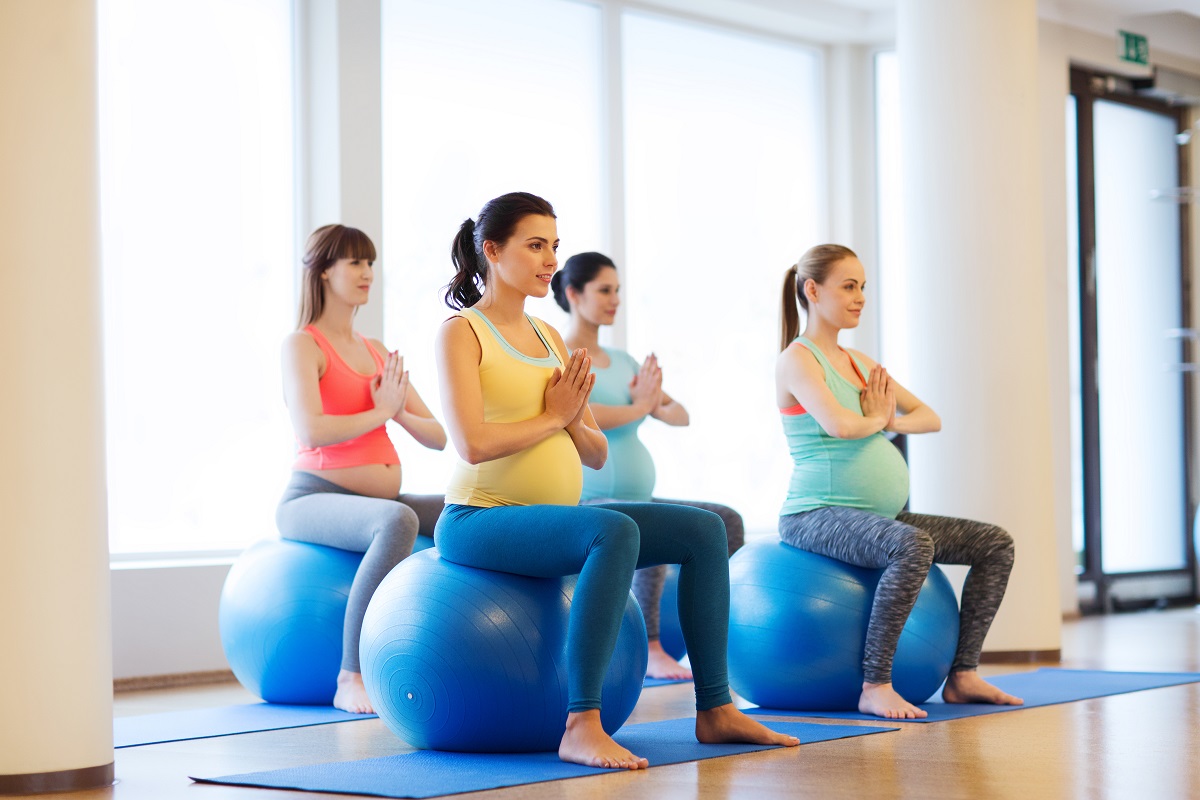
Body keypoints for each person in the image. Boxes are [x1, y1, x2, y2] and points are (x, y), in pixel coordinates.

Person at [434, 192, 798, 769]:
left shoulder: (552, 338)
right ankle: (581, 724)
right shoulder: (463, 333)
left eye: (554, 245)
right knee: (611, 531)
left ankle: (715, 709)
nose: (550, 258)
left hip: (552, 517)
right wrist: (555, 415)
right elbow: (472, 443)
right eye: (535, 245)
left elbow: (596, 453)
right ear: (492, 250)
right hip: (479, 520)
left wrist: (575, 417)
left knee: (703, 531)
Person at [775, 243, 1023, 720]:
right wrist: (877, 417)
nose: (860, 296)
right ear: (812, 289)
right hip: (815, 514)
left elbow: (929, 417)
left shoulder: (861, 363)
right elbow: (840, 426)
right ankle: (875, 684)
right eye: (849, 286)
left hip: (878, 515)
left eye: (863, 287)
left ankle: (964, 674)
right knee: (913, 546)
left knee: (994, 544)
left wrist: (886, 418)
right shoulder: (798, 360)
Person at [278, 224, 447, 714]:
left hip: (377, 500)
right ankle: (351, 675)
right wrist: (380, 410)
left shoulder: (377, 351)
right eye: (354, 262)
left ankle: (440, 652)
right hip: (310, 498)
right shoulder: (302, 345)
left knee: (465, 507)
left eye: (370, 262)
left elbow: (437, 436)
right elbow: (311, 430)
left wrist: (396, 410)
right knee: (397, 521)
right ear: (324, 271)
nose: (366, 273)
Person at [552, 252, 745, 681]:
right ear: (573, 293)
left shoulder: (623, 362)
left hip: (637, 492)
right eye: (604, 290)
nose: (615, 299)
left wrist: (652, 400)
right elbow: (583, 413)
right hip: (590, 497)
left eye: (617, 290)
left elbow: (680, 415)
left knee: (725, 520)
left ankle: (718, 646)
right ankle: (654, 645)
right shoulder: (560, 354)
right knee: (651, 523)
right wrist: (640, 404)